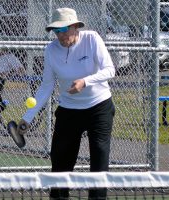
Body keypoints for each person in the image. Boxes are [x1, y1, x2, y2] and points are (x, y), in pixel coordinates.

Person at [17, 7, 116, 200]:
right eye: (56, 31)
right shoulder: (51, 50)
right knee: (60, 161)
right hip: (69, 110)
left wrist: (85, 81)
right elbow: (46, 86)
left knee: (99, 161)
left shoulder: (92, 39)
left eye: (64, 30)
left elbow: (110, 70)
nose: (60, 36)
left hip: (99, 107)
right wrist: (27, 117)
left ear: (75, 27)